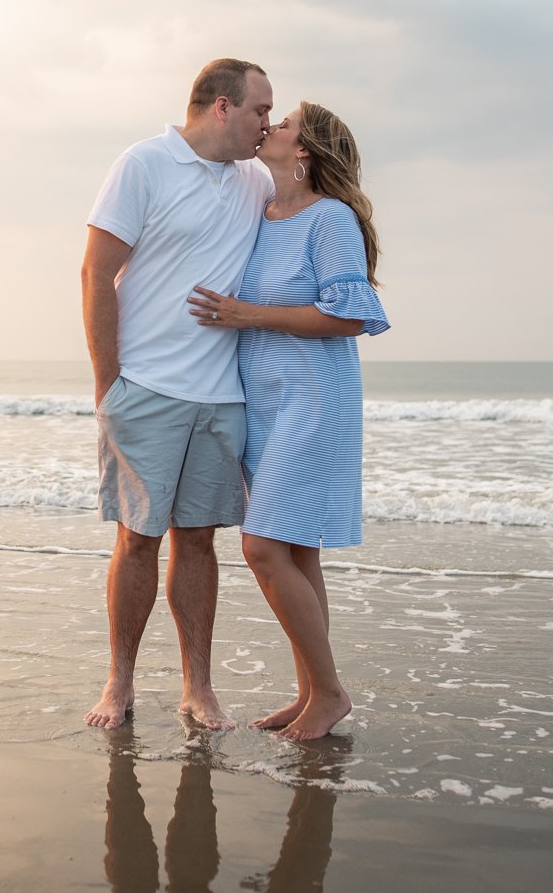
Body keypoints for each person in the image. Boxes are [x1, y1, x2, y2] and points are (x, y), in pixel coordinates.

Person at [83, 58, 276, 730]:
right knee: (138, 539)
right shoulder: (143, 164)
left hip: (223, 397)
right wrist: (111, 386)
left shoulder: (256, 180)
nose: (267, 124)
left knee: (199, 542)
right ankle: (120, 681)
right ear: (221, 107)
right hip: (148, 389)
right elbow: (97, 272)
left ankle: (199, 686)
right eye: (259, 110)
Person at [188, 101, 389, 740]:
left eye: (285, 124)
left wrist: (249, 314)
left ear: (304, 151)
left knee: (262, 547)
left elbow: (350, 316)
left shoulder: (329, 219)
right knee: (299, 552)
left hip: (314, 400)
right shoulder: (264, 212)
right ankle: (311, 697)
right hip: (267, 405)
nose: (270, 128)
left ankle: (330, 693)